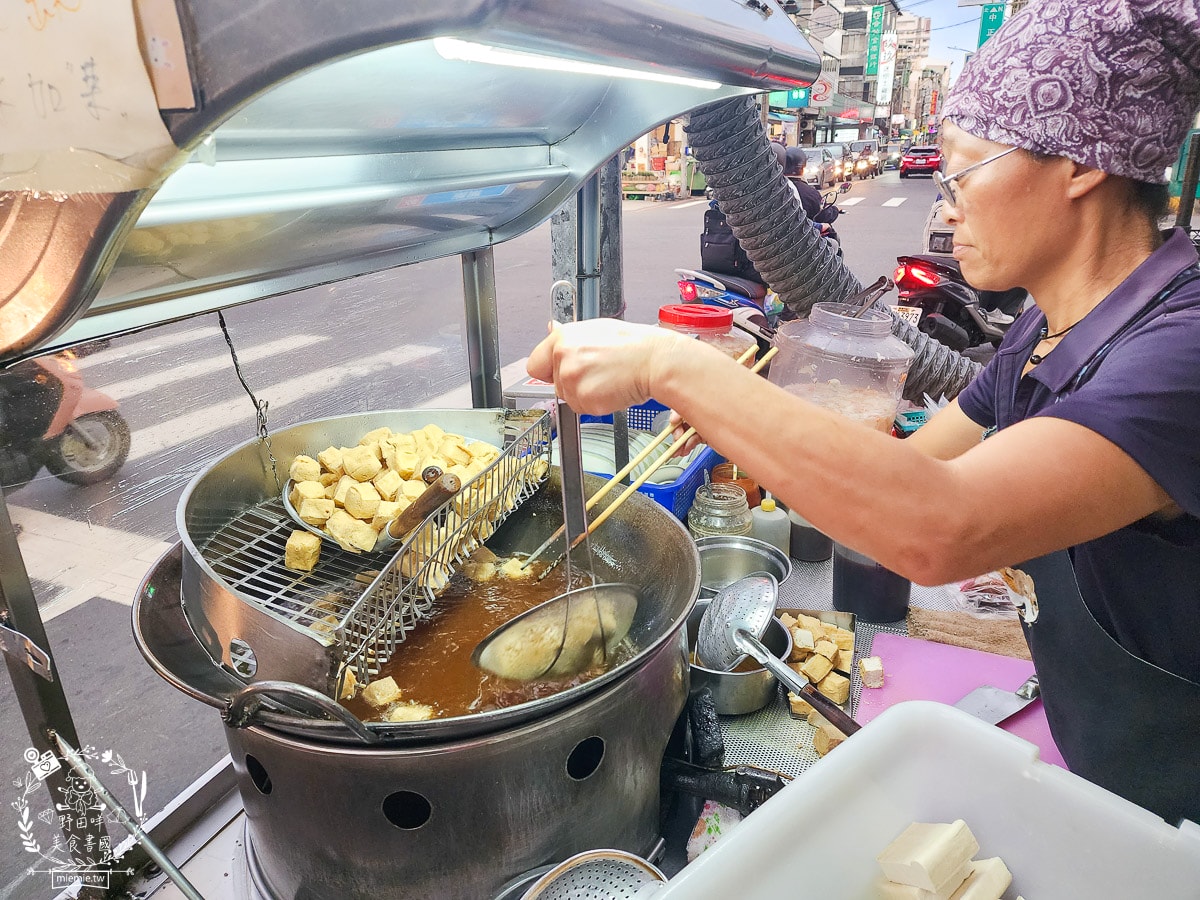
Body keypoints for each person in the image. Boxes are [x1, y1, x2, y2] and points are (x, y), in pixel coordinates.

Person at [529, 0, 1200, 824]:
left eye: (960, 171)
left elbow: (942, 527)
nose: (946, 206)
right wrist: (734, 411)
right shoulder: (1045, 329)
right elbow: (913, 470)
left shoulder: (1178, 352)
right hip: (1103, 771)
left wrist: (680, 368)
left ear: (1078, 166)